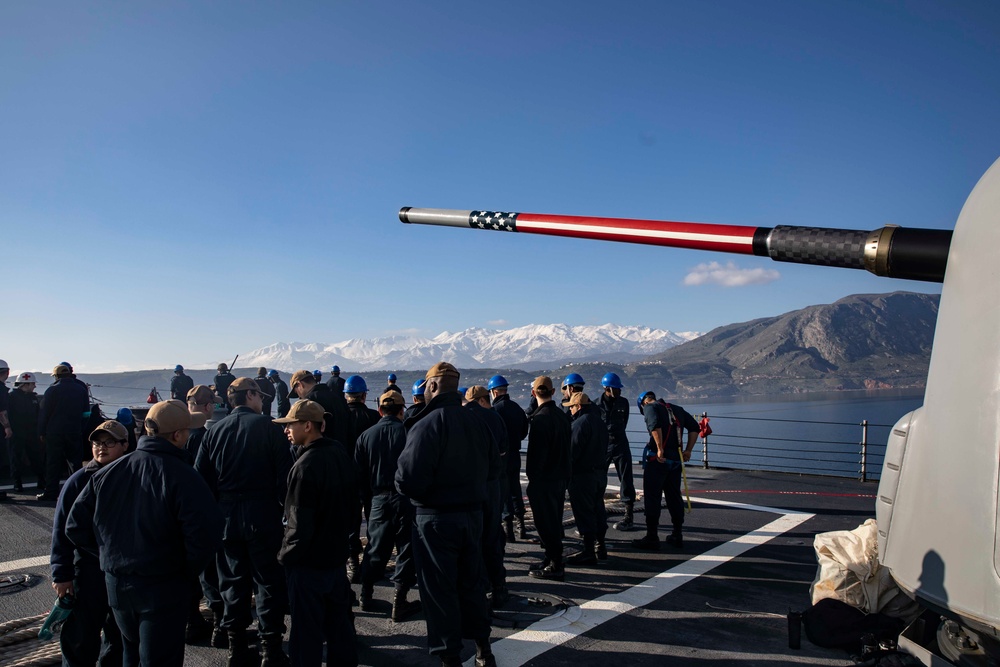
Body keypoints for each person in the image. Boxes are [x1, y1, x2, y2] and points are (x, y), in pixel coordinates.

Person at [65, 400, 223, 667]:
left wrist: (109, 555)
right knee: (159, 658)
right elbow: (205, 536)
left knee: (130, 653)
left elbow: (75, 527)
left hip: (117, 585)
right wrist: (183, 571)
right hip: (162, 586)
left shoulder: (109, 472)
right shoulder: (184, 476)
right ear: (177, 435)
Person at [395, 362, 495, 667]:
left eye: (426, 385)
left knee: (439, 590)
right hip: (473, 516)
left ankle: (449, 657)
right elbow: (495, 468)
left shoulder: (426, 424)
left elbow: (408, 478)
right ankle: (483, 649)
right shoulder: (479, 422)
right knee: (472, 584)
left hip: (435, 519)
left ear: (434, 387)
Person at [195, 378, 293, 667]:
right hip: (263, 513)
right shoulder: (269, 428)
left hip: (226, 516)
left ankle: (235, 648)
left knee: (232, 584)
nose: (262, 400)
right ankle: (270, 649)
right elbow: (284, 478)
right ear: (249, 395)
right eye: (259, 395)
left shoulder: (213, 432)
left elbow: (201, 479)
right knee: (268, 583)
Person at [275, 400, 359, 667]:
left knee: (306, 633)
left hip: (308, 563)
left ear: (307, 426)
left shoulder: (304, 467)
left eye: (290, 425)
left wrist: (285, 557)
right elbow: (353, 506)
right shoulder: (339, 453)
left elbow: (298, 524)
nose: (286, 430)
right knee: (339, 626)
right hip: (335, 557)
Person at [51, 420, 128, 667]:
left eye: (109, 442)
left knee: (119, 636)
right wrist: (61, 574)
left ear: (125, 445)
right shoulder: (78, 482)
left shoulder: (132, 475)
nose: (101, 448)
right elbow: (61, 531)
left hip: (122, 571)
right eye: (96, 443)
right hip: (88, 569)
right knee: (80, 637)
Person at [354, 391, 420, 621]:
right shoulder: (409, 433)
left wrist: (366, 500)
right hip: (405, 498)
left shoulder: (365, 436)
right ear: (402, 411)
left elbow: (359, 474)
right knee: (406, 548)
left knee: (375, 548)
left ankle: (366, 595)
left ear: (380, 410)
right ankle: (399, 601)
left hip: (378, 499)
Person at [633, 392, 699, 550]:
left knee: (653, 497)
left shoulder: (649, 407)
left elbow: (654, 426)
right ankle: (677, 534)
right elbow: (695, 428)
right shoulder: (676, 409)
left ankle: (652, 536)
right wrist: (688, 450)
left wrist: (660, 449)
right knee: (674, 496)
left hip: (658, 461)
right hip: (676, 460)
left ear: (642, 404)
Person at [184, 385, 222, 645]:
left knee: (186, 575)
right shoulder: (205, 436)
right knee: (211, 574)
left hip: (179, 516)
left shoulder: (177, 434)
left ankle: (192, 623)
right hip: (202, 513)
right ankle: (220, 626)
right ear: (208, 407)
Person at [463, 385, 507, 608]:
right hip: (493, 484)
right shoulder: (495, 417)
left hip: (471, 486)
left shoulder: (463, 419)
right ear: (483, 399)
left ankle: (479, 585)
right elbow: (503, 450)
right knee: (492, 535)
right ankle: (499, 586)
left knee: (473, 539)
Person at [525, 376, 571, 581]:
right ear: (553, 392)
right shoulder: (562, 416)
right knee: (554, 519)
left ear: (534, 394)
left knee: (545, 523)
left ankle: (555, 564)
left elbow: (536, 456)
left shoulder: (539, 419)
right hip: (560, 478)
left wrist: (532, 481)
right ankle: (551, 558)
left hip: (543, 480)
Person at [563, 393, 609, 565]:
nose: (571, 410)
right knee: (598, 508)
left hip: (582, 476)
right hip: (599, 474)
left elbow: (572, 453)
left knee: (584, 512)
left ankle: (588, 550)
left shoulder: (579, 424)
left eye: (572, 407)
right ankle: (601, 545)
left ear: (579, 406)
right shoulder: (600, 422)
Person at [343, 374, 381, 583]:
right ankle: (372, 562)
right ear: (364, 395)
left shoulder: (339, 419)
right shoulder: (374, 417)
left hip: (348, 478)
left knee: (351, 523)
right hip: (371, 477)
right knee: (374, 522)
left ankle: (352, 563)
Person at [38, 364, 89, 501]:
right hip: (74, 431)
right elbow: (86, 413)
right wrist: (80, 428)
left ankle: (51, 492)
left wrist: (42, 432)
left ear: (56, 376)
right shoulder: (81, 389)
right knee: (75, 463)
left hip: (54, 432)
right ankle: (78, 492)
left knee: (53, 463)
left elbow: (44, 414)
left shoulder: (52, 390)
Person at [487, 374, 529, 542]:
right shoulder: (517, 408)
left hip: (502, 456)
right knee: (515, 489)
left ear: (494, 392)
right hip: (516, 454)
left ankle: (508, 529)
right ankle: (522, 526)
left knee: (503, 491)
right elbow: (525, 430)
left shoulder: (495, 411)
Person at [597, 372, 637, 531]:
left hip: (621, 443)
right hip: (603, 446)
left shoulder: (624, 403)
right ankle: (598, 512)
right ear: (607, 389)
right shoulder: (596, 405)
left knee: (626, 479)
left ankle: (629, 515)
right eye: (616, 389)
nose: (619, 391)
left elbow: (624, 422)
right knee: (599, 479)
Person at [289, 369, 349, 449]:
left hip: (319, 452)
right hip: (341, 451)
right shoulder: (337, 398)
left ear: (300, 384)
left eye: (296, 392)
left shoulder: (307, 404)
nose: (299, 397)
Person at [8, 372, 45, 492]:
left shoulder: (33, 398)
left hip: (31, 433)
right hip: (17, 432)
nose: (34, 386)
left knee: (36, 457)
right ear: (26, 384)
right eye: (32, 384)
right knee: (16, 458)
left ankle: (41, 480)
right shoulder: (12, 397)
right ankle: (17, 483)